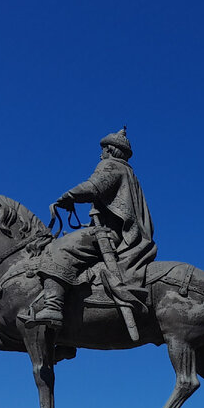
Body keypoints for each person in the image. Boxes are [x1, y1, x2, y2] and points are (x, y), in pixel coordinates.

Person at [34, 128, 156, 328]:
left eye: (103, 150)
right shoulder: (129, 173)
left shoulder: (111, 165)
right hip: (118, 232)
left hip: (111, 234)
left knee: (58, 248)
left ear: (110, 150)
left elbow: (93, 187)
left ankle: (53, 307)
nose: (101, 154)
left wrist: (68, 196)